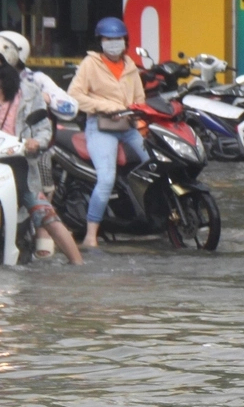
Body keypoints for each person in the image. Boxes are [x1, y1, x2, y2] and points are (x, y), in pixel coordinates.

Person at [64, 18, 147, 250]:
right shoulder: (90, 64)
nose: (113, 43)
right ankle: (91, 234)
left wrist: (139, 116)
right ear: (101, 41)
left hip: (128, 127)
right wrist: (106, 106)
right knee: (107, 178)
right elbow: (75, 95)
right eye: (108, 39)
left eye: (117, 39)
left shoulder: (131, 66)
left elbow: (140, 100)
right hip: (101, 127)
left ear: (125, 41)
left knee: (153, 163)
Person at [0, 59, 82, 264]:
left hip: (21, 166)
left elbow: (43, 128)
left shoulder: (28, 92)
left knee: (47, 215)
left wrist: (36, 142)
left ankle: (78, 264)